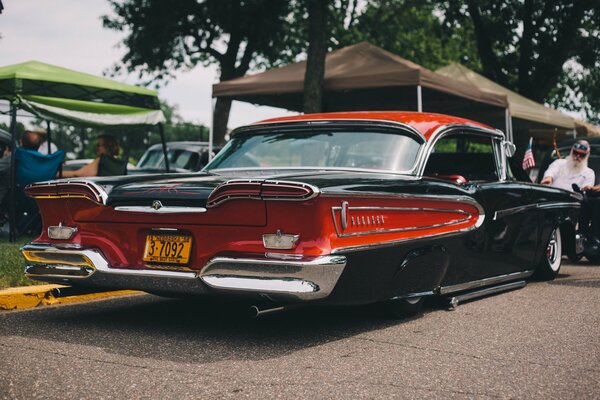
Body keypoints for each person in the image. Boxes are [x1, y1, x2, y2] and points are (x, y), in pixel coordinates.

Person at [62, 134, 126, 177]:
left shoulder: (103, 159)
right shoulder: (120, 163)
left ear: (107, 146)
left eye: (98, 145)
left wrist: (57, 173)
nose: (96, 148)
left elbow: (77, 174)